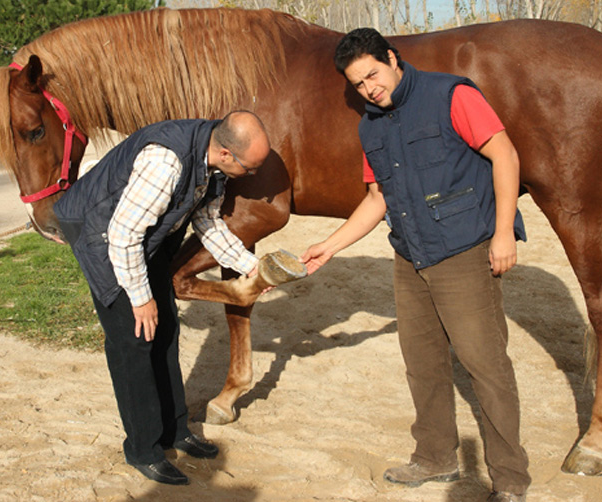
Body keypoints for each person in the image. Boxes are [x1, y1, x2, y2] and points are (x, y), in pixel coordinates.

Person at [299, 29, 531, 501]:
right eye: (358, 83)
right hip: (410, 255)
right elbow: (377, 198)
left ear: (391, 57)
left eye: (373, 75)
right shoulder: (370, 126)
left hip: (465, 249)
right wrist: (330, 245)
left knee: (486, 367)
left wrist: (504, 231)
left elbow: (504, 153)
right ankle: (435, 457)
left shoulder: (452, 94)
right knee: (422, 364)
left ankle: (509, 479)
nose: (369, 88)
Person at [54, 111, 270, 485]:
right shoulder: (165, 162)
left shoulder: (210, 160)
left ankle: (175, 430)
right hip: (103, 237)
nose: (251, 176)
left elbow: (207, 222)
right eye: (249, 169)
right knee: (135, 340)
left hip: (143, 240)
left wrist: (249, 265)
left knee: (166, 329)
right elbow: (122, 236)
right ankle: (143, 448)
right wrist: (140, 299)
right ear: (225, 154)